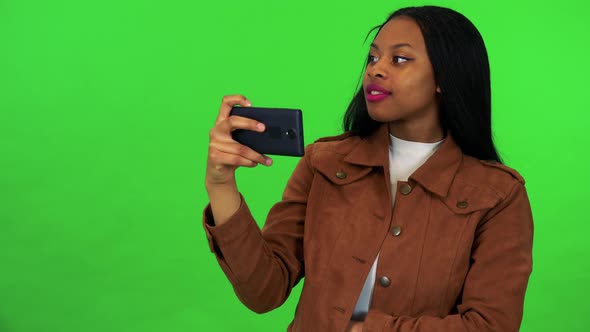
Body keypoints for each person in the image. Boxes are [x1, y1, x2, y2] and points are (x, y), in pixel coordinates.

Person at [203, 5, 533, 332]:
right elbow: (263, 291)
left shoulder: (499, 196)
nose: (375, 70)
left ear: (445, 77)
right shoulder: (324, 162)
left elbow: (491, 325)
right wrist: (221, 185)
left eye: (399, 59)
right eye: (373, 58)